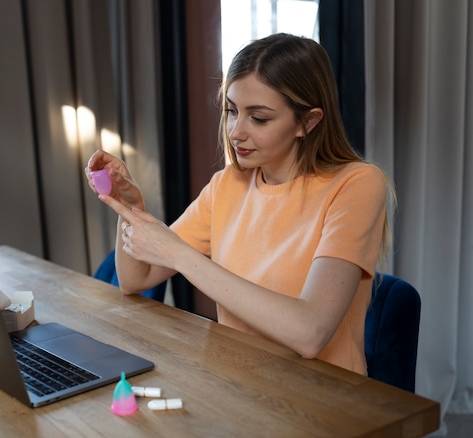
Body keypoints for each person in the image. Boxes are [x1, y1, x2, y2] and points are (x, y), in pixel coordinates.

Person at [85, 33, 394, 375]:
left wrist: (178, 254)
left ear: (309, 121)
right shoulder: (227, 185)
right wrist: (129, 206)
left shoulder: (356, 185)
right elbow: (136, 279)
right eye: (232, 111)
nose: (235, 132)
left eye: (258, 118)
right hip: (238, 385)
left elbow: (309, 333)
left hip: (321, 401)